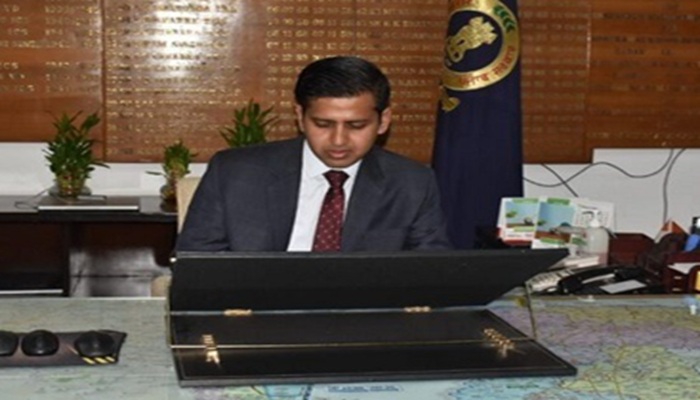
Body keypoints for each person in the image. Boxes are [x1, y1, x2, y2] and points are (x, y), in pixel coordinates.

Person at [176, 56, 452, 252]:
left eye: (356, 126)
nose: (338, 140)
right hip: (259, 310)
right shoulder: (235, 173)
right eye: (323, 124)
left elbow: (429, 272)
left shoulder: (412, 183)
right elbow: (198, 263)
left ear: (384, 121)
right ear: (300, 116)